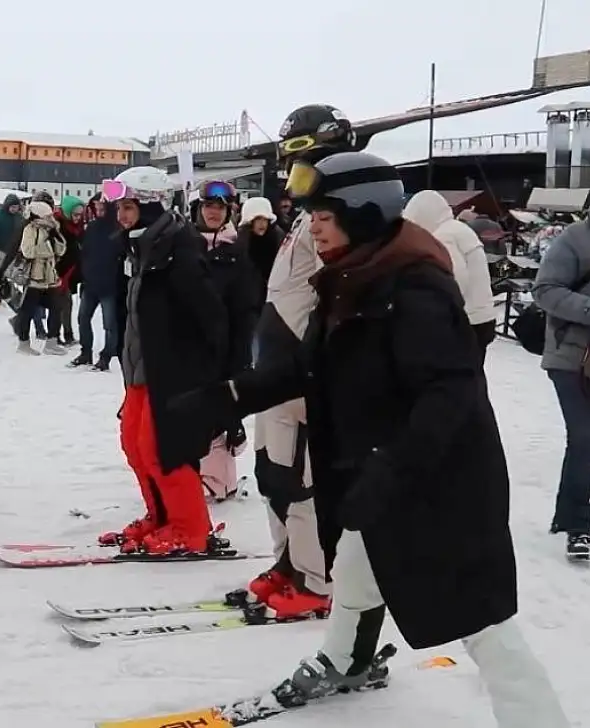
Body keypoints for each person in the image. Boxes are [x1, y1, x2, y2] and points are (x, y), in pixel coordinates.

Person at [168, 151, 570, 728]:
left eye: (324, 219)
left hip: (440, 485)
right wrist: (226, 397)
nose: (314, 230)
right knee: (356, 568)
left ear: (363, 213)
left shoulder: (415, 288)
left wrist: (391, 468)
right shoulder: (353, 277)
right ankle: (346, 659)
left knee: (485, 629)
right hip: (382, 476)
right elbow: (310, 366)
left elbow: (449, 397)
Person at [239, 104, 356, 618]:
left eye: (300, 158)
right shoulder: (306, 217)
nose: (291, 172)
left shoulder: (342, 216)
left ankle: (316, 578)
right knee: (272, 473)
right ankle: (286, 563)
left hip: (303, 374)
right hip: (274, 370)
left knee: (303, 481)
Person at [96, 166, 228, 556]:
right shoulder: (139, 247)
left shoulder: (179, 249)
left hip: (171, 372)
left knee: (162, 450)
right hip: (141, 368)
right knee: (134, 445)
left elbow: (210, 317)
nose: (121, 216)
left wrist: (201, 375)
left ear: (151, 206)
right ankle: (162, 516)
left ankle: (191, 528)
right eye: (119, 207)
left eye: (129, 207)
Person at [191, 180, 257, 501]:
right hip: (187, 348)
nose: (213, 213)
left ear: (229, 212)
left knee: (218, 418)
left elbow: (246, 311)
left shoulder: (237, 253)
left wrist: (242, 360)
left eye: (220, 208)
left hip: (223, 350)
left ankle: (217, 480)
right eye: (208, 207)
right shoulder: (184, 246)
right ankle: (190, 478)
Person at [531, 217, 590, 560]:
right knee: (585, 437)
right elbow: (545, 290)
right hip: (571, 357)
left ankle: (568, 514)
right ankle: (579, 526)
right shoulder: (575, 239)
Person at [403, 190, 497, 358]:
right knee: (471, 375)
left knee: (459, 377)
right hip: (481, 316)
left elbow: (455, 279)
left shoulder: (443, 237)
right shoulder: (459, 229)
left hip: (465, 320)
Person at [71, 194, 123, 371]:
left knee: (109, 324)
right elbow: (84, 253)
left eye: (102, 208)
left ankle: (106, 356)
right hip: (90, 283)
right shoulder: (91, 228)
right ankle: (85, 352)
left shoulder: (118, 228)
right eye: (96, 208)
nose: (99, 211)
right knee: (83, 318)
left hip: (109, 285)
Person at [11, 200, 67, 355]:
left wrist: (56, 237)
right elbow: (27, 251)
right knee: (27, 311)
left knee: (56, 309)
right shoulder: (30, 229)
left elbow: (61, 251)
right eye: (48, 216)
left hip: (50, 276)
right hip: (34, 277)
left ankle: (52, 342)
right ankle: (23, 343)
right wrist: (46, 248)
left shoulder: (53, 228)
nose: (51, 218)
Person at [237, 196, 284, 304]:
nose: (262, 223)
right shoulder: (240, 245)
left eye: (265, 219)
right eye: (258, 219)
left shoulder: (278, 241)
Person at [51, 195, 85, 347]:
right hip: (57, 271)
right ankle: (57, 335)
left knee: (66, 304)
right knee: (59, 304)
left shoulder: (77, 227)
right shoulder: (56, 225)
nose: (78, 217)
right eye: (75, 214)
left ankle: (66, 334)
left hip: (69, 271)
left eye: (80, 214)